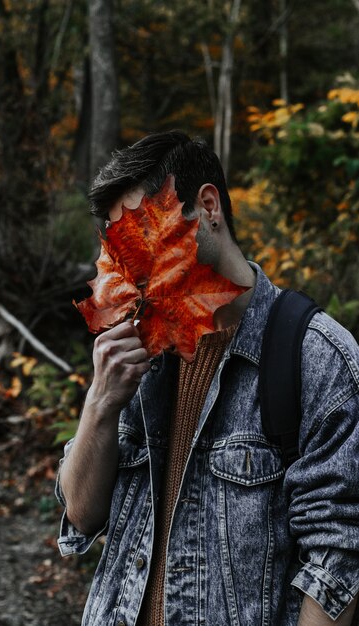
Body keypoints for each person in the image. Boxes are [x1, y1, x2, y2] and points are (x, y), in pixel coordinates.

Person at [55, 131, 359, 626]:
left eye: (145, 234)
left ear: (208, 206)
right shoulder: (140, 350)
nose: (133, 271)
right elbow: (82, 515)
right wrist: (100, 403)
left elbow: (339, 560)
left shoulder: (316, 359)